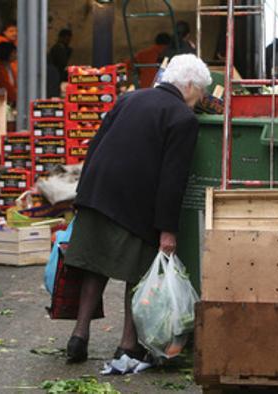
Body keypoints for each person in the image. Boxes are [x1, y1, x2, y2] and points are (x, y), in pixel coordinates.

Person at [62, 54, 211, 363]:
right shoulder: (183, 119)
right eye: (201, 92)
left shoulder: (130, 98)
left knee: (95, 265)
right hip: (134, 202)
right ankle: (128, 345)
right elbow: (173, 179)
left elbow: (95, 145)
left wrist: (82, 195)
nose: (201, 100)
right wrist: (167, 229)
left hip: (97, 191)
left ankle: (79, 336)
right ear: (189, 85)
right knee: (139, 272)